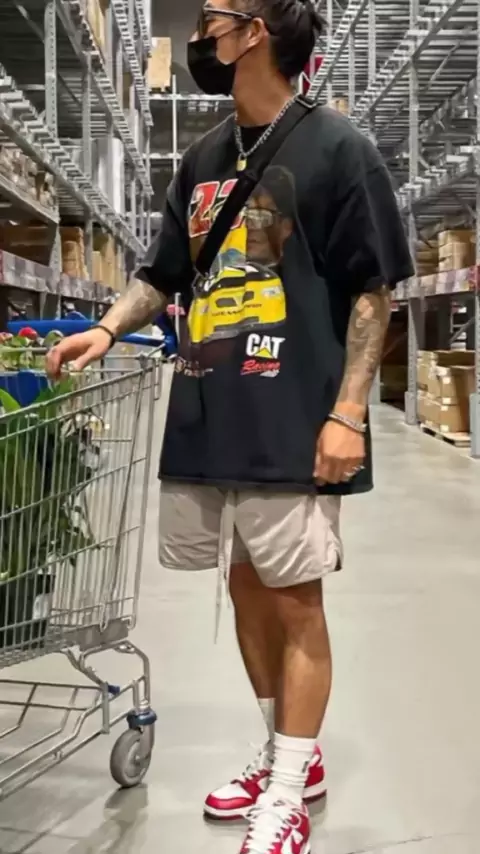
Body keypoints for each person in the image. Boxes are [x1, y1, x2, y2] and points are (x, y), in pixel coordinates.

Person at [46, 0, 414, 851]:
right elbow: (163, 273)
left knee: (295, 600)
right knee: (244, 585)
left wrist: (348, 413)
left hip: (294, 412)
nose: (199, 33)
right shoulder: (204, 157)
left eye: (213, 17)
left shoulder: (340, 149)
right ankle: (289, 755)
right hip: (210, 408)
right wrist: (108, 329)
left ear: (257, 33)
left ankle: (286, 791)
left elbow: (373, 292)